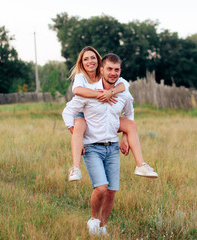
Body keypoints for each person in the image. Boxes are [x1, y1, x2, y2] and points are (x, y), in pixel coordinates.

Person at [62, 53, 149, 235]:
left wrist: (125, 137)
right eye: (109, 69)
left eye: (116, 70)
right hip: (92, 146)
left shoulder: (122, 90)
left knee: (111, 191)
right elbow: (69, 110)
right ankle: (93, 219)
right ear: (101, 70)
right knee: (101, 188)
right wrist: (75, 131)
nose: (113, 73)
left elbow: (129, 113)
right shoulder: (87, 89)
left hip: (112, 146)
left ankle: (103, 227)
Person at [67, 46, 158, 182]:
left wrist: (111, 92)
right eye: (85, 59)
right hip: (82, 112)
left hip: (105, 114)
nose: (90, 61)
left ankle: (140, 165)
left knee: (131, 125)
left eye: (93, 58)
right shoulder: (81, 77)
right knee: (78, 127)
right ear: (81, 63)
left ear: (99, 62)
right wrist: (99, 94)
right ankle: (75, 168)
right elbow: (77, 90)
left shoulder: (107, 73)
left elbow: (125, 84)